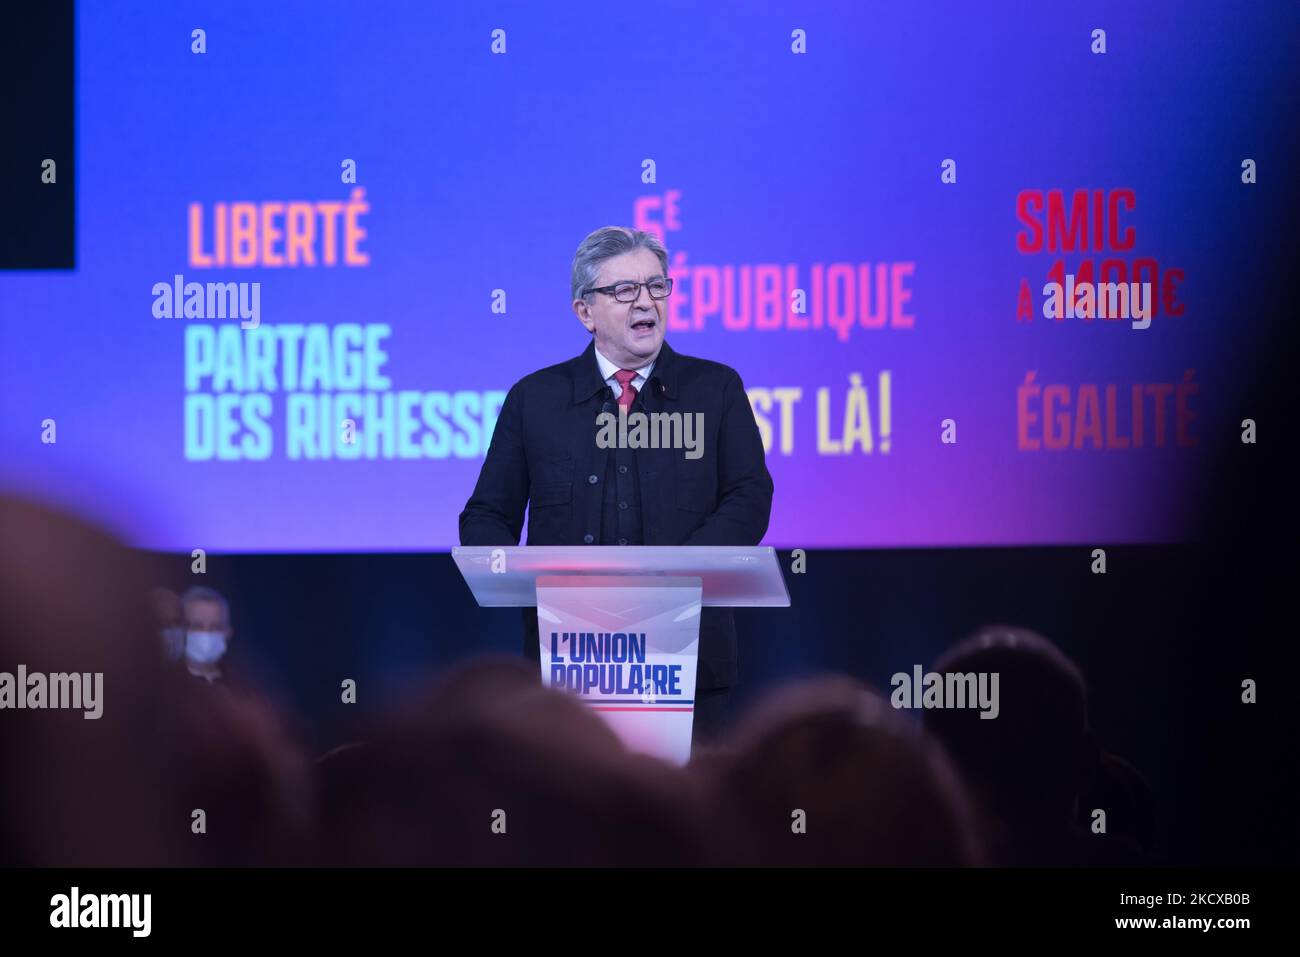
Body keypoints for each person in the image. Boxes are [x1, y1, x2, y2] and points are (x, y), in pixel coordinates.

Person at [459, 226, 774, 746]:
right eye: (624, 290)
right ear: (585, 312)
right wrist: (504, 569)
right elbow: (488, 513)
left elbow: (749, 496)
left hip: (685, 657)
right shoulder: (535, 399)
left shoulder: (716, 389)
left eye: (656, 286)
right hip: (572, 664)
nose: (645, 301)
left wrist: (673, 577)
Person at [180, 585, 234, 684]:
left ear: (228, 633)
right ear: (181, 630)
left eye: (216, 627)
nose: (206, 633)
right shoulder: (163, 687)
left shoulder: (244, 687)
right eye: (197, 626)